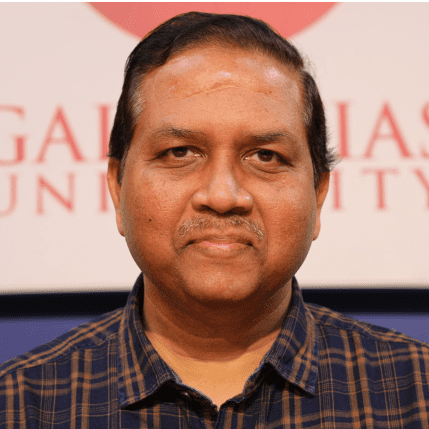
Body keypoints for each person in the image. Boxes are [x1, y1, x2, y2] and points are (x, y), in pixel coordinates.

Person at [1, 12, 428, 428]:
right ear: (117, 186)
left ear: (318, 194)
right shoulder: (20, 404)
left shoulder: (415, 391)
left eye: (265, 156)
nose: (223, 197)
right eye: (180, 152)